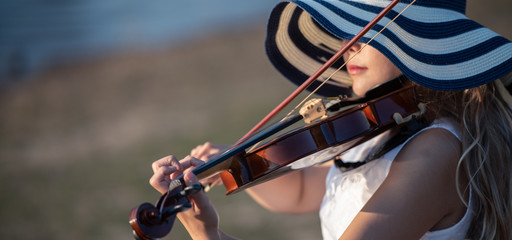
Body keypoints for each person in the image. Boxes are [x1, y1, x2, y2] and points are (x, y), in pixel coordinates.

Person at [149, 0, 512, 239]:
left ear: (420, 39)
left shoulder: (435, 153)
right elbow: (306, 190)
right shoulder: (383, 126)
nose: (347, 44)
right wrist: (232, 164)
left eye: (368, 30)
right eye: (347, 28)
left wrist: (207, 234)